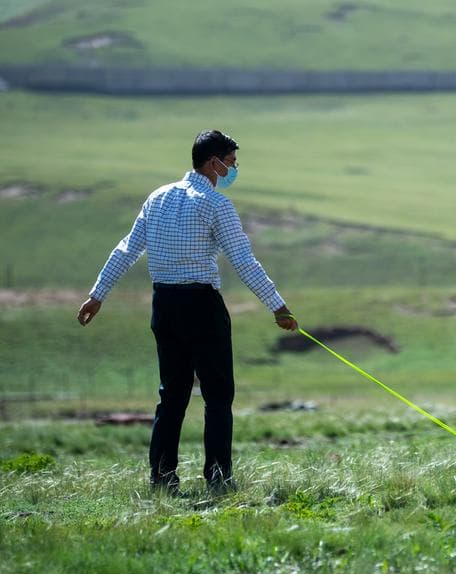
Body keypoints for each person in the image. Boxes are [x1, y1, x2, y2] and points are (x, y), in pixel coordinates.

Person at [77, 130, 298, 494]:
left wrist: (96, 295)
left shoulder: (157, 198)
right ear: (214, 163)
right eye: (231, 163)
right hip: (202, 305)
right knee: (218, 395)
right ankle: (218, 477)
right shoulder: (216, 204)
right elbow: (244, 261)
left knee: (172, 395)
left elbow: (127, 249)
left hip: (164, 305)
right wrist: (278, 307)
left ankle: (162, 478)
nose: (233, 170)